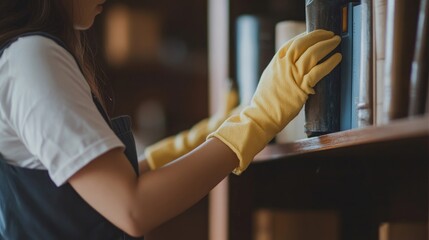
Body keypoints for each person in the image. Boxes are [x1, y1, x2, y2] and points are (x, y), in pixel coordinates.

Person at [0, 0, 342, 239]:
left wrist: (201, 139)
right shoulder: (33, 58)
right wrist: (258, 119)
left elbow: (89, 193)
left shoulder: (24, 56)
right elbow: (132, 208)